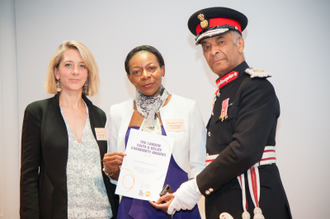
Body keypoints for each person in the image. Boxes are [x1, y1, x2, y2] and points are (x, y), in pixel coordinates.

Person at [150, 7, 292, 219]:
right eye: (206, 46)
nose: (212, 51)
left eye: (220, 42)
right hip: (225, 201)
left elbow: (243, 151)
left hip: (252, 204)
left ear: (240, 44)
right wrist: (183, 193)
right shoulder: (224, 93)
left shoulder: (256, 87)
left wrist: (193, 189)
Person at [102, 45, 206, 219]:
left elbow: (198, 167)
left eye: (151, 68)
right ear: (129, 77)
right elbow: (117, 175)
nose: (145, 75)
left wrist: (183, 199)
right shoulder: (117, 112)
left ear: (162, 70)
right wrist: (110, 169)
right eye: (136, 71)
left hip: (178, 204)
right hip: (132, 207)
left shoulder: (188, 108)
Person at [20, 40, 119, 218]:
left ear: (88, 73)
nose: (75, 71)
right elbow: (28, 175)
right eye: (68, 65)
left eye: (82, 66)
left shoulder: (99, 116)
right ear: (56, 72)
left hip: (103, 213)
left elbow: (104, 169)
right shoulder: (38, 112)